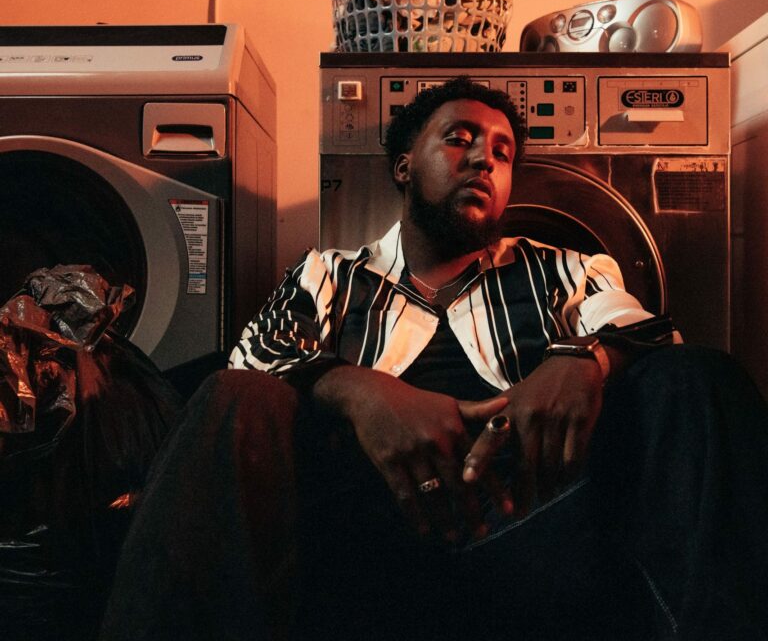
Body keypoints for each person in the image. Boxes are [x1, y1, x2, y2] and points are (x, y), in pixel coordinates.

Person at [100, 78, 768, 641]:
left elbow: (643, 330)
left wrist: (583, 362)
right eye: (460, 139)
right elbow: (256, 354)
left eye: (502, 153)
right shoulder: (332, 274)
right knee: (232, 397)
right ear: (403, 166)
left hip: (534, 529)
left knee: (697, 376)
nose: (484, 159)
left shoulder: (563, 270)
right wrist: (360, 392)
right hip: (356, 544)